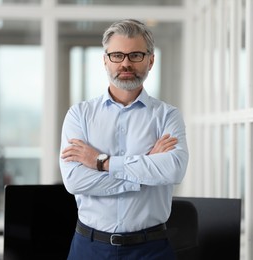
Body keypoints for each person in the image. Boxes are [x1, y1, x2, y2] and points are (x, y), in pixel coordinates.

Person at [59, 19, 189, 260]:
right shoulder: (79, 115)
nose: (126, 63)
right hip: (89, 248)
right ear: (105, 60)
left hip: (152, 249)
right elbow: (75, 181)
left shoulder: (167, 116)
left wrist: (103, 162)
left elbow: (173, 170)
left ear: (151, 60)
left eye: (136, 55)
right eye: (117, 55)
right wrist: (144, 171)